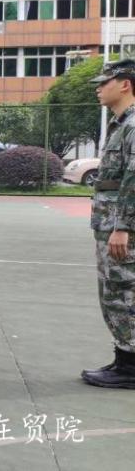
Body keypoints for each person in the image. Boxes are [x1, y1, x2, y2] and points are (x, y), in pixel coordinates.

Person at [83, 58, 135, 389]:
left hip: (122, 228)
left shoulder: (133, 125)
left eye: (105, 82)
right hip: (111, 224)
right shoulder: (122, 124)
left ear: (125, 84)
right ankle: (124, 359)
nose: (99, 89)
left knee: (123, 292)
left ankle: (130, 367)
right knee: (115, 291)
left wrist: (124, 227)